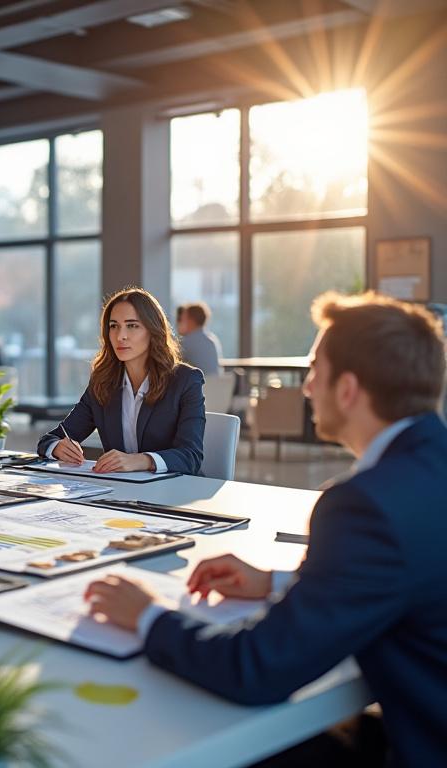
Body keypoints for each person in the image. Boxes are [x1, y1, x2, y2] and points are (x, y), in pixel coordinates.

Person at [84, 292, 447, 766]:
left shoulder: (363, 507)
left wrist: (149, 615)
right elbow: (409, 570)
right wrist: (280, 582)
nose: (306, 387)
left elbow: (256, 669)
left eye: (316, 370)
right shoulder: (429, 468)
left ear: (349, 389)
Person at [37, 287, 205, 475]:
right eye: (114, 326)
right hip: (120, 491)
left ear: (153, 330)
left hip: (173, 492)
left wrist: (141, 460)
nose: (120, 336)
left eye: (132, 325)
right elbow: (51, 438)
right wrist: (57, 447)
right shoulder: (103, 382)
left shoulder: (186, 380)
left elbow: (191, 456)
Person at [176, 301, 222, 376]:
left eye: (182, 319)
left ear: (191, 321)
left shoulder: (186, 342)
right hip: (215, 385)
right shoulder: (212, 339)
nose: (180, 323)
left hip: (200, 385)